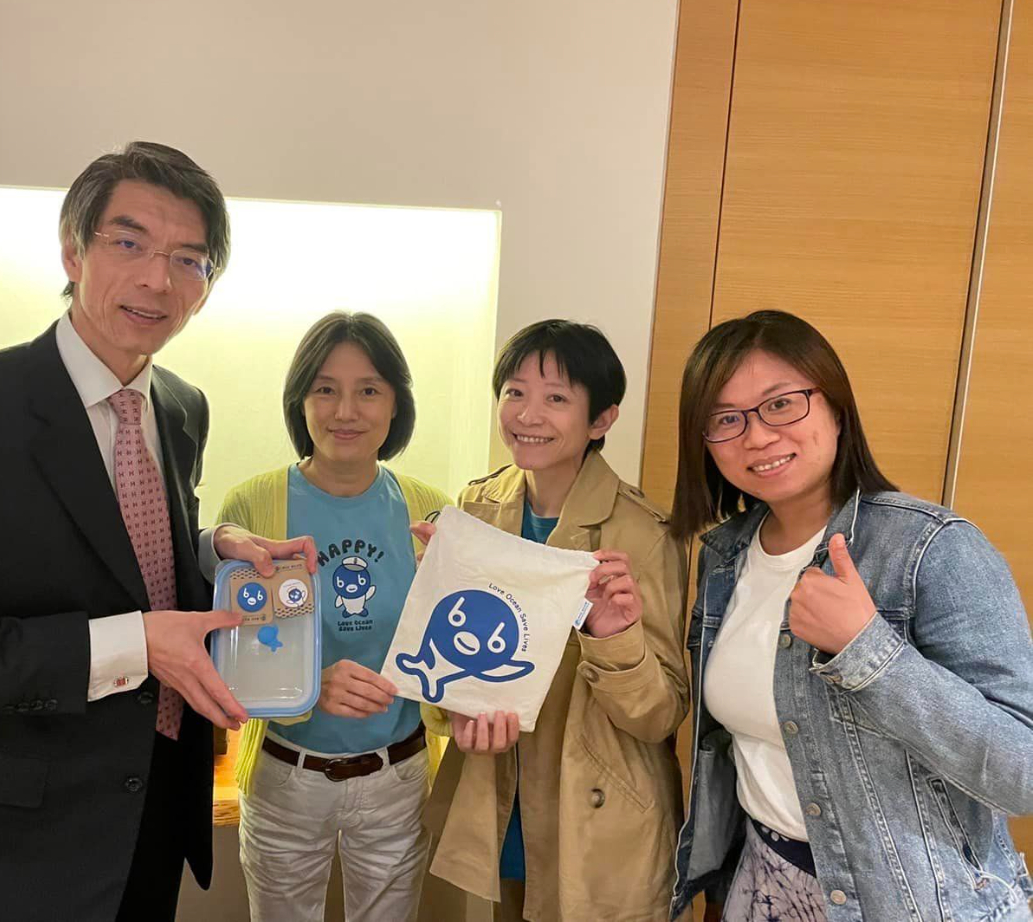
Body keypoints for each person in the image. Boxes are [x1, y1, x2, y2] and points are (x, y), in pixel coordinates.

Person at [0, 141, 311, 922]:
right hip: (6, 857)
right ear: (73, 251)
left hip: (152, 821)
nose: (158, 279)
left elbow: (123, 553)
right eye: (129, 243)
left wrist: (215, 550)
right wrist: (138, 644)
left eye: (189, 260)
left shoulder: (181, 406)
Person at [668, 310, 1033, 922]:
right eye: (726, 419)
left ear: (836, 408)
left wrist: (868, 652)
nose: (756, 436)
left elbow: (1022, 771)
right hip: (763, 883)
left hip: (913, 902)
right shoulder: (724, 556)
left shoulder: (931, 548)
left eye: (781, 404)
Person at [419, 320, 690, 921]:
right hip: (495, 801)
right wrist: (452, 701)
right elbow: (444, 681)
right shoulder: (474, 509)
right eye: (514, 392)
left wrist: (611, 636)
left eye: (556, 398)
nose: (528, 414)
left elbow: (660, 715)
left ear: (602, 419)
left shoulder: (642, 533)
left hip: (595, 813)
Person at [216, 311, 451, 922]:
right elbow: (230, 656)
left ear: (396, 404)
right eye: (325, 389)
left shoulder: (429, 510)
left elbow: (450, 648)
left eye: (368, 390)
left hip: (398, 774)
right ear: (301, 401)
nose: (345, 411)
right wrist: (306, 686)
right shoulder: (253, 505)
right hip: (285, 774)